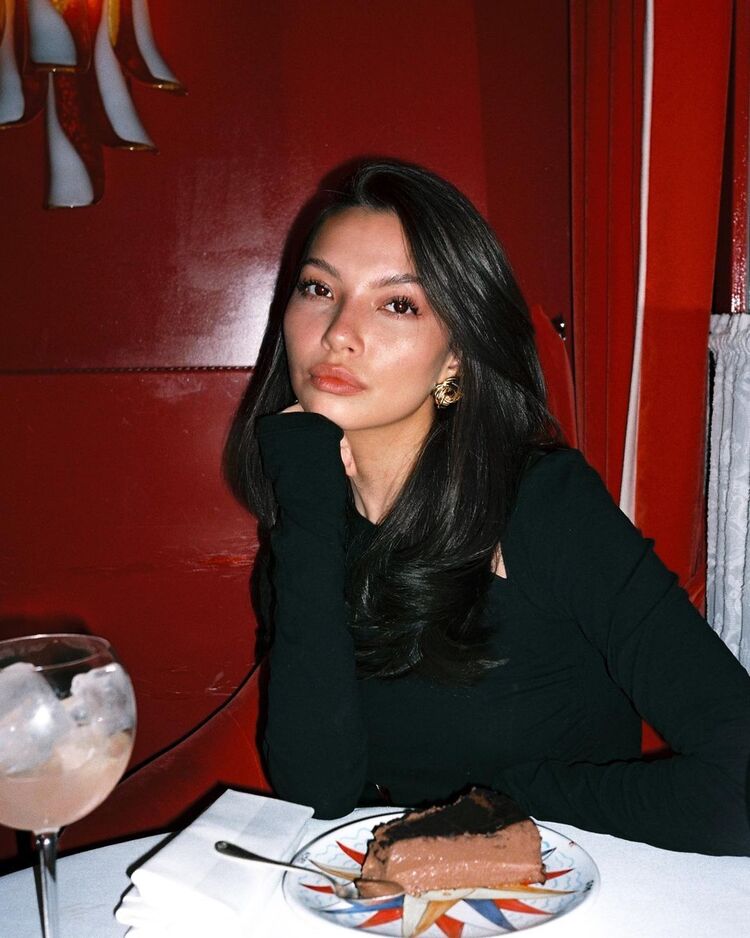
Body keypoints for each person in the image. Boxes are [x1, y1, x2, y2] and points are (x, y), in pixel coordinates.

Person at [225, 159, 750, 855]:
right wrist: (309, 515)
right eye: (319, 289)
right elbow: (317, 794)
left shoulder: (543, 504)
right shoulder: (308, 522)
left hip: (575, 888)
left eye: (398, 304)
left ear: (456, 358)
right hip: (407, 896)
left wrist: (513, 804)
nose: (339, 332)